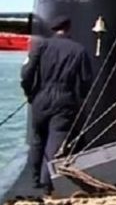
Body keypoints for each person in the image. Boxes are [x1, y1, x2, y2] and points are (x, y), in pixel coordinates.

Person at [21, 15, 94, 192]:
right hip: (64, 99)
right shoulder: (78, 50)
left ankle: (34, 180)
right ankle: (48, 183)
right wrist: (79, 99)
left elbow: (26, 73)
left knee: (37, 140)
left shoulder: (41, 46)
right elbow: (86, 80)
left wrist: (30, 93)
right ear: (68, 28)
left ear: (53, 29)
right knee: (55, 141)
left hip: (41, 97)